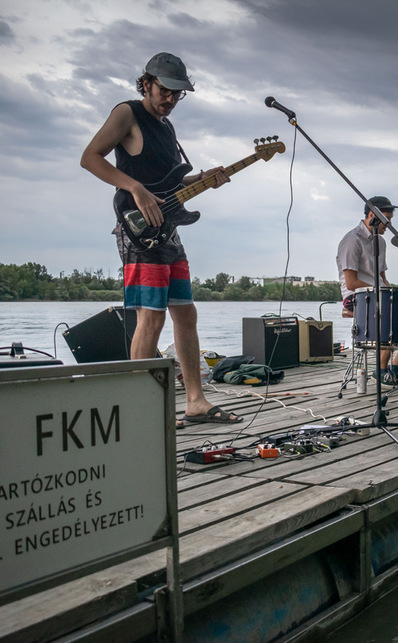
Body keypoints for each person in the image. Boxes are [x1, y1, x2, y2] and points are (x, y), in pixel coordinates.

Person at [80, 52, 241, 425]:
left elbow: (167, 186)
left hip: (168, 230)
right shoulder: (127, 113)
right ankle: (144, 406)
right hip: (137, 230)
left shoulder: (167, 128)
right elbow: (90, 158)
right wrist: (133, 187)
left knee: (186, 313)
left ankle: (196, 401)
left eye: (177, 94)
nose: (170, 99)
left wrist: (203, 179)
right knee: (149, 318)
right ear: (147, 82)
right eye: (165, 90)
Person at [336, 196, 398, 384]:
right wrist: (383, 292)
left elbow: (382, 278)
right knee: (391, 313)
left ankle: (394, 368)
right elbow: (351, 283)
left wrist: (392, 292)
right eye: (386, 219)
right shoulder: (352, 240)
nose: (388, 225)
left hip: (379, 294)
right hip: (357, 297)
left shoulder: (381, 242)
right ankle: (380, 371)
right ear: (372, 215)